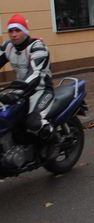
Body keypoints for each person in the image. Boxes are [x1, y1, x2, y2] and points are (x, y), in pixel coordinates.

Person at [0, 14, 61, 159]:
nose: (14, 35)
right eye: (11, 31)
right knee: (8, 119)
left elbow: (36, 73)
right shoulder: (8, 47)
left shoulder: (37, 47)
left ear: (25, 31)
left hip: (40, 89)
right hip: (20, 91)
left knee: (33, 122)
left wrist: (16, 92)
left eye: (17, 30)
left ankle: (55, 141)